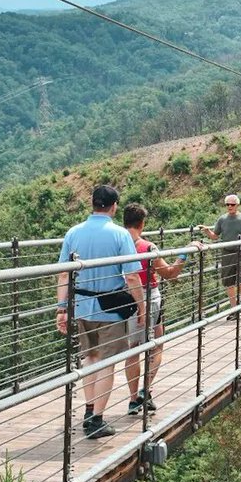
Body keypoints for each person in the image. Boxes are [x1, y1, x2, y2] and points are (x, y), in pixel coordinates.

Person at [56, 185, 146, 439]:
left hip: (82, 308)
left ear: (93, 204)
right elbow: (131, 276)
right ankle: (96, 420)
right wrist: (141, 307)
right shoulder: (119, 235)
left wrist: (62, 309)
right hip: (111, 310)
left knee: (90, 358)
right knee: (107, 363)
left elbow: (64, 273)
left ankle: (88, 410)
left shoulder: (73, 233)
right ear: (114, 206)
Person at [121, 202, 186, 416]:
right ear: (142, 223)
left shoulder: (117, 245)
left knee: (133, 347)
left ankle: (133, 399)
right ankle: (144, 390)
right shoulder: (148, 248)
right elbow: (169, 273)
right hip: (149, 297)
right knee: (157, 344)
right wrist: (183, 256)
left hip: (123, 298)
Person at [199, 194, 241, 320]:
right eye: (227, 204)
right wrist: (207, 231)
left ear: (237, 205)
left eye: (232, 204)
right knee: (229, 282)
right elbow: (215, 236)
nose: (230, 207)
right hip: (227, 253)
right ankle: (234, 309)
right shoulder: (222, 219)